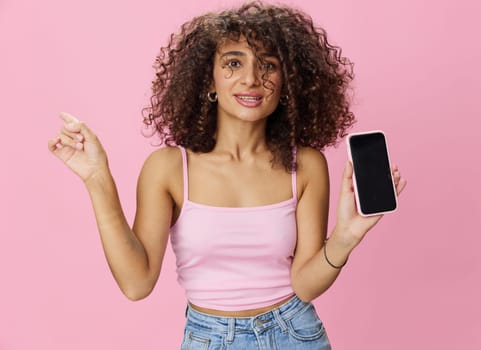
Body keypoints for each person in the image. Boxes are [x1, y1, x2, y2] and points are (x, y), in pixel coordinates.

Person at [48, 1, 406, 349]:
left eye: (268, 65)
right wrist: (98, 179)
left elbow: (305, 285)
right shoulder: (169, 169)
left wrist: (345, 236)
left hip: (296, 334)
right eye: (233, 63)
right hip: (209, 338)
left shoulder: (307, 165)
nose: (251, 78)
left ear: (285, 83)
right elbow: (136, 283)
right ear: (210, 79)